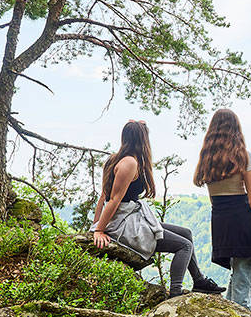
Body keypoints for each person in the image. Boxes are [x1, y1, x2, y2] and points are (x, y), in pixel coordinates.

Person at [91, 120, 226, 298]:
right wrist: (99, 230)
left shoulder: (114, 159)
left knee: (186, 233)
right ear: (143, 140)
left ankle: (199, 280)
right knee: (184, 246)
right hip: (123, 222)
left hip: (127, 216)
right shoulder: (129, 163)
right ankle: (175, 293)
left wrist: (97, 225)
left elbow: (103, 196)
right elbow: (113, 199)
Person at [193, 108, 251, 312]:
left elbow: (212, 199)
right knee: (245, 284)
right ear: (236, 130)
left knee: (237, 276)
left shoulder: (208, 160)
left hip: (221, 223)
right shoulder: (244, 157)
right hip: (243, 223)